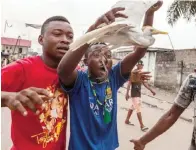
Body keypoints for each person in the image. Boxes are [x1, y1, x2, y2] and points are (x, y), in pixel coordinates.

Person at [1, 7, 134, 150]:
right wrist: (9, 97)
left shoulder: (75, 73)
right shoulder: (22, 68)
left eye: (70, 37)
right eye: (57, 34)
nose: (65, 40)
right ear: (41, 39)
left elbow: (97, 74)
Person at [57, 1, 163, 150]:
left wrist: (149, 14)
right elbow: (63, 70)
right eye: (96, 55)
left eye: (108, 55)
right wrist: (94, 30)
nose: (103, 59)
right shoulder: (79, 81)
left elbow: (140, 49)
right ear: (86, 61)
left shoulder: (113, 77)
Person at [125, 60, 156, 132]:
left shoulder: (141, 74)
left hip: (138, 93)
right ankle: (142, 125)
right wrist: (127, 93)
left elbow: (144, 83)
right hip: (134, 93)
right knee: (138, 108)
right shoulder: (133, 73)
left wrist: (151, 90)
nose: (141, 66)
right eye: (140, 65)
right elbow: (129, 83)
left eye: (142, 65)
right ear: (137, 65)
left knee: (132, 107)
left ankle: (127, 120)